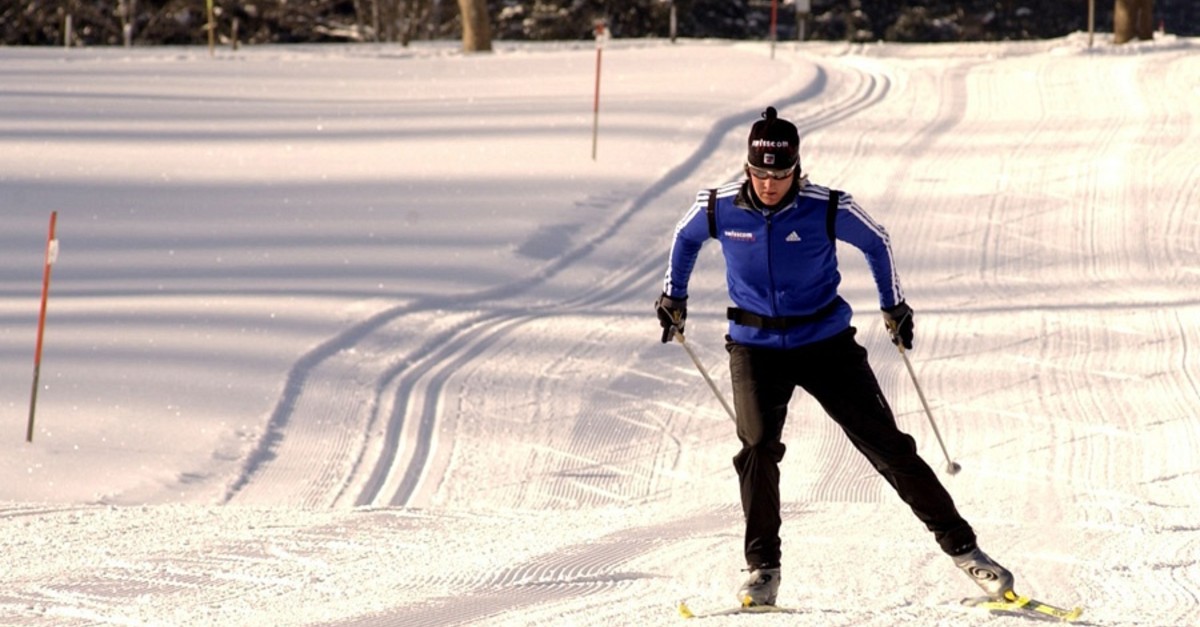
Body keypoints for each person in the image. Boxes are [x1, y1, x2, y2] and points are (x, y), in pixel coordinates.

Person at [655, 106, 1013, 607]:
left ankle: (967, 551)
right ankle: (762, 570)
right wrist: (675, 296)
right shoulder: (717, 207)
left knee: (888, 447)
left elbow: (878, 240)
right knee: (757, 448)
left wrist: (894, 305)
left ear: (797, 169)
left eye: (780, 175)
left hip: (825, 344)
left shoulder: (827, 207)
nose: (769, 185)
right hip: (754, 346)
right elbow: (683, 238)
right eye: (760, 174)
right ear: (747, 169)